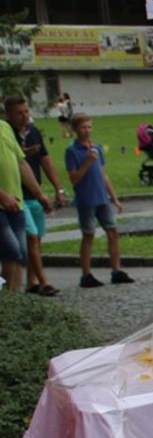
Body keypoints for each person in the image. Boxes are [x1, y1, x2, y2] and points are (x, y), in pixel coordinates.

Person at [6, 95, 68, 296]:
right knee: (28, 240)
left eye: (26, 111)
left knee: (35, 240)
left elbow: (44, 160)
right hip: (16, 196)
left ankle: (31, 283)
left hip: (33, 193)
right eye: (19, 113)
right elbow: (16, 160)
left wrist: (57, 189)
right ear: (8, 114)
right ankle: (43, 282)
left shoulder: (32, 131)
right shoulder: (7, 131)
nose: (24, 116)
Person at [65, 112, 131, 288]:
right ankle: (86, 274)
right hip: (86, 199)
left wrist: (114, 198)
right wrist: (87, 163)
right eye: (82, 127)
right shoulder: (72, 151)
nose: (86, 131)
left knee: (113, 232)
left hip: (102, 198)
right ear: (75, 129)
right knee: (88, 234)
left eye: (89, 127)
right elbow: (74, 178)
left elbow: (103, 174)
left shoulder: (97, 149)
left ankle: (116, 270)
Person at [0, 108, 52, 293]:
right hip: (3, 204)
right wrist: (2, 196)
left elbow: (21, 163)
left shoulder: (4, 127)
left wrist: (40, 195)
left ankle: (13, 300)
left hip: (17, 203)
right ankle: (7, 300)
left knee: (20, 255)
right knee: (12, 251)